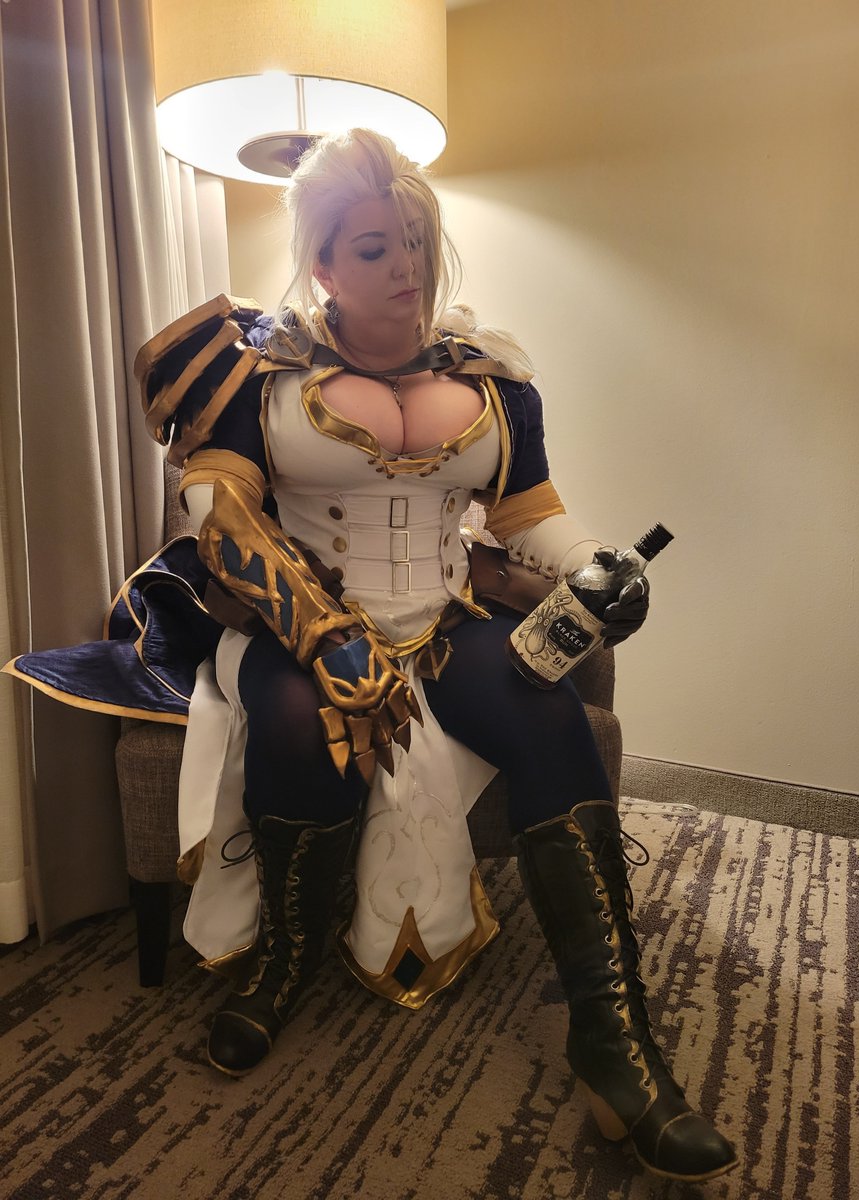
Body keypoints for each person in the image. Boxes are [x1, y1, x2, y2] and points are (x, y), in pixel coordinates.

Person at [9, 129, 737, 1183]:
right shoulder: (253, 372)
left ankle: (614, 1039)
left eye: (414, 241)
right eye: (372, 248)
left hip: (442, 617)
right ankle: (283, 962)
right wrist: (325, 636)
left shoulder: (496, 378)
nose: (404, 266)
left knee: (548, 716)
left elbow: (529, 511)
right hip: (300, 626)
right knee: (298, 717)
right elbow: (220, 516)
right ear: (322, 265)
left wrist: (596, 567)